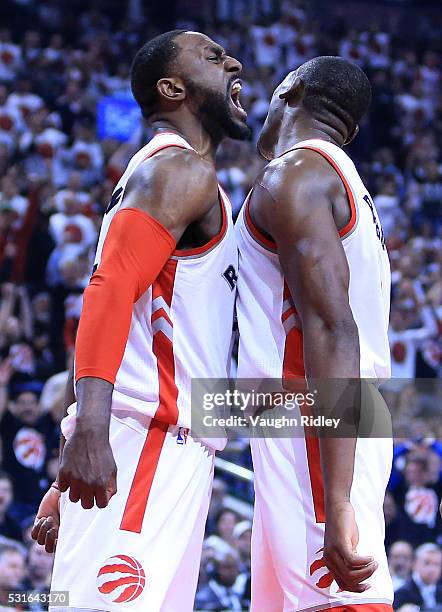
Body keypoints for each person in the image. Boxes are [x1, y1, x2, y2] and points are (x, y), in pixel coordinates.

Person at [31, 29, 249, 611]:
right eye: (211, 56)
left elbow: (136, 320)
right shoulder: (179, 171)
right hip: (147, 444)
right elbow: (107, 292)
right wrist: (92, 434)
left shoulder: (174, 177)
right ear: (172, 88)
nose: (233, 61)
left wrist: (73, 456)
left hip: (159, 443)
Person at [236, 56, 393, 611]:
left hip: (312, 418)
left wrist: (339, 498)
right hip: (341, 413)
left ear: (290, 91)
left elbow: (332, 326)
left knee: (341, 601)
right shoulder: (349, 184)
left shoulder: (295, 175)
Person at [393, 543, 442, 610]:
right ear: (415, 563)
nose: (432, 569)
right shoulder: (401, 594)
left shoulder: (440, 592)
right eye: (427, 563)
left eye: (436, 564)